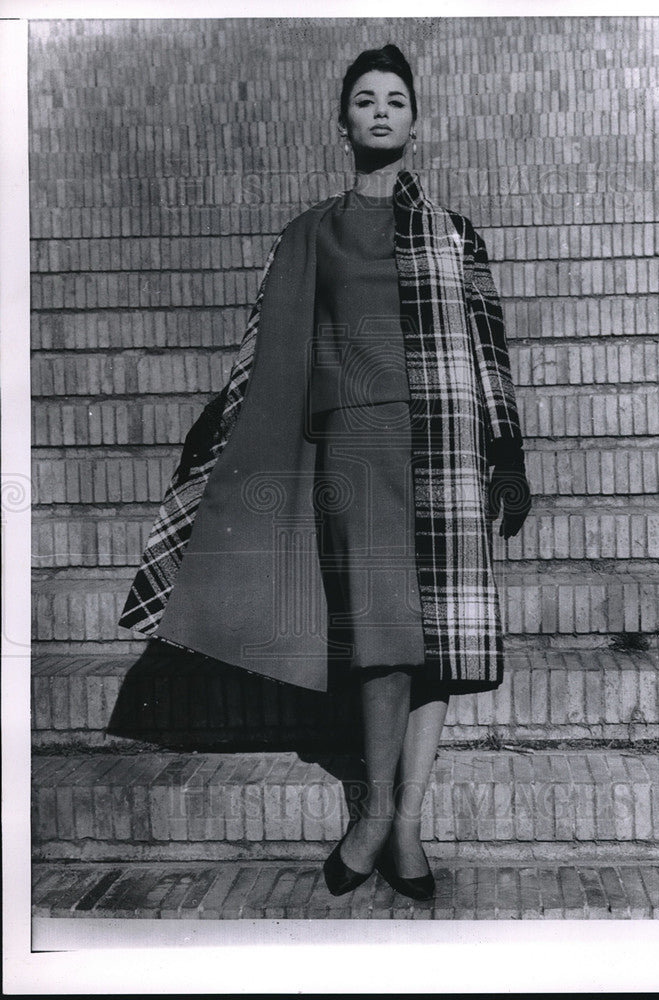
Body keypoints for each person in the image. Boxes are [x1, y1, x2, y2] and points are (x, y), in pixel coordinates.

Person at [119, 44, 531, 901]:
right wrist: (218, 422)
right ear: (343, 121)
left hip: (446, 442)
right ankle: (374, 814)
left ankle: (406, 824)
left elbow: (488, 349)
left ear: (415, 121)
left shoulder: (455, 235)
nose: (381, 112)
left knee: (441, 644)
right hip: (357, 446)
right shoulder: (311, 230)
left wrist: (509, 449)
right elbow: (267, 348)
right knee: (385, 641)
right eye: (365, 100)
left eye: (395, 100)